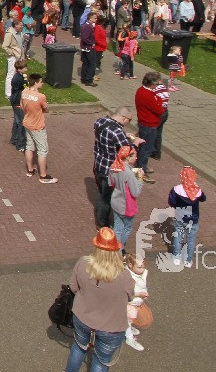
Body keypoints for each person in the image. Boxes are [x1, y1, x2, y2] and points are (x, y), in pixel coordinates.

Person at [62, 227, 134, 372]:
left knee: (78, 348)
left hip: (82, 319)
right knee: (101, 362)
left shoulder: (82, 263)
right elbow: (130, 297)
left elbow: (73, 288)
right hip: (111, 327)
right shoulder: (124, 276)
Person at [92, 107, 142, 228]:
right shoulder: (117, 132)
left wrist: (124, 135)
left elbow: (110, 137)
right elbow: (128, 152)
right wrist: (136, 143)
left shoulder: (100, 121)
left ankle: (101, 219)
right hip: (109, 170)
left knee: (102, 193)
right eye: (129, 120)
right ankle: (102, 224)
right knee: (106, 197)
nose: (128, 123)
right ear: (124, 118)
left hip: (98, 164)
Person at [21, 73, 57, 183]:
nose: (42, 83)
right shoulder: (41, 96)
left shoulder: (24, 92)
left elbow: (22, 106)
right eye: (41, 82)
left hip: (27, 123)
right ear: (36, 83)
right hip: (37, 126)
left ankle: (30, 170)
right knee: (42, 150)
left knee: (29, 146)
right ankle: (43, 176)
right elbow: (46, 109)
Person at [168, 166, 206, 268]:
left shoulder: (176, 189)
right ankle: (188, 261)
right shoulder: (197, 190)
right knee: (191, 239)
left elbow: (171, 202)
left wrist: (177, 207)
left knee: (178, 237)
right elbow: (203, 198)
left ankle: (176, 258)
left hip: (180, 217)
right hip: (193, 219)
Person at [109, 145, 145, 249]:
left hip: (116, 202)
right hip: (126, 206)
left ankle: (116, 249)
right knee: (127, 228)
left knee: (117, 228)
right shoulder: (129, 174)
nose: (136, 158)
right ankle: (120, 248)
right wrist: (140, 179)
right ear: (128, 157)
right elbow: (136, 193)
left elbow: (111, 183)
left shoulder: (114, 167)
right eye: (134, 156)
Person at [134, 72, 165, 178]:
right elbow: (159, 110)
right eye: (156, 84)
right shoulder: (148, 95)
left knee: (143, 147)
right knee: (146, 148)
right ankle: (141, 170)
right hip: (149, 124)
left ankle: (142, 166)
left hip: (143, 123)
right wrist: (159, 100)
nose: (157, 86)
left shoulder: (140, 90)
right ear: (151, 83)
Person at [123, 253, 150, 351]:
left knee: (129, 319)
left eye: (143, 266)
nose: (142, 270)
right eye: (139, 267)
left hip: (135, 302)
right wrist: (140, 294)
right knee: (127, 321)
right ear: (130, 265)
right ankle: (129, 338)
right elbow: (126, 292)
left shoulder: (138, 273)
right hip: (129, 303)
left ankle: (128, 328)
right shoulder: (128, 277)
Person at [2, 18, 24, 99]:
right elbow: (4, 46)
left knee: (19, 75)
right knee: (10, 75)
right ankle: (8, 94)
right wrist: (12, 53)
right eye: (20, 25)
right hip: (12, 57)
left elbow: (21, 46)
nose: (22, 26)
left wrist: (23, 57)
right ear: (15, 25)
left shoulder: (20, 33)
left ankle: (16, 91)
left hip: (19, 57)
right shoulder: (10, 34)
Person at [8, 58, 27, 152]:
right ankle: (20, 144)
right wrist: (26, 79)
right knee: (21, 123)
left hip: (14, 100)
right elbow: (26, 88)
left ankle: (14, 139)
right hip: (18, 101)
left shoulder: (16, 76)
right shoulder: (20, 78)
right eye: (24, 68)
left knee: (16, 120)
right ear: (19, 69)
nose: (26, 69)